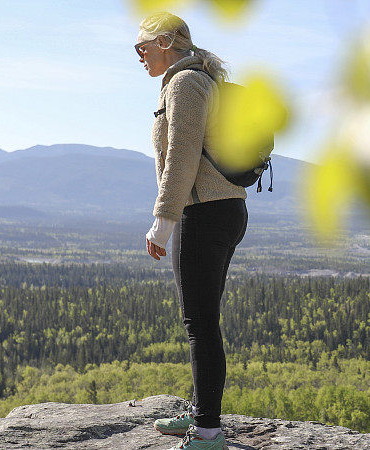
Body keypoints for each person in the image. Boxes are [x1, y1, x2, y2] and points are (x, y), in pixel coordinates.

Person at [136, 11, 247, 450]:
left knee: (199, 323)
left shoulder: (184, 83)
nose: (140, 57)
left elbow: (182, 154)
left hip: (203, 213)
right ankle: (201, 416)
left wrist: (162, 221)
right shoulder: (202, 79)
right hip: (226, 209)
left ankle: (208, 431)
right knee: (204, 320)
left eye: (141, 48)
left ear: (165, 42)